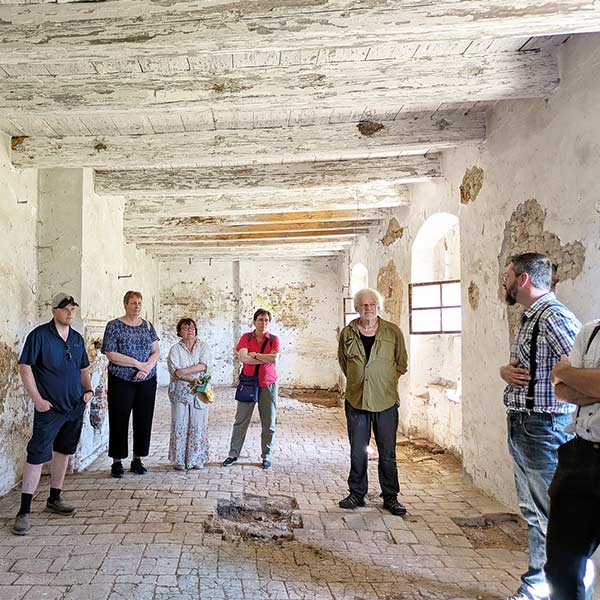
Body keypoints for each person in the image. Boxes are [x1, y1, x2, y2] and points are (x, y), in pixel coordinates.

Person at [499, 252, 581, 600]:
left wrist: (561, 383)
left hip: (544, 428)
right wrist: (506, 373)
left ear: (524, 280)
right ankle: (536, 585)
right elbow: (527, 367)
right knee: (534, 512)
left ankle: (563, 590)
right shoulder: (530, 317)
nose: (503, 281)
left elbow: (582, 364)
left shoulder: (552, 316)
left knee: (552, 516)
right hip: (525, 424)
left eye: (507, 275)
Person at [12, 292, 93, 536]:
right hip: (49, 409)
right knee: (37, 454)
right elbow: (25, 368)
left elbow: (83, 369)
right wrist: (37, 400)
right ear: (54, 310)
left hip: (74, 406)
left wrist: (88, 389)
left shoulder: (77, 339)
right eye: (64, 308)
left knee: (64, 451)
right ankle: (24, 510)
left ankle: (54, 498)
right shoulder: (39, 336)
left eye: (72, 309)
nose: (69, 312)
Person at [337, 287, 408, 516]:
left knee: (388, 452)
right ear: (357, 308)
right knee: (358, 450)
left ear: (379, 307)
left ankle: (390, 497)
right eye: (363, 305)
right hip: (356, 400)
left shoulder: (393, 332)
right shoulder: (348, 333)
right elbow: (344, 363)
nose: (368, 309)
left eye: (372, 305)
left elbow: (401, 364)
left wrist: (382, 382)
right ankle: (357, 493)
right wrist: (361, 380)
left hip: (385, 401)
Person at [544, 319, 600, 599]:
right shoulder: (591, 331)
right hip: (581, 457)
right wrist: (572, 377)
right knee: (561, 568)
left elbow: (566, 377)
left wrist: (569, 372)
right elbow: (561, 388)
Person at [101, 291, 160, 478]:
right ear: (125, 304)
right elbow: (111, 354)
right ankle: (117, 462)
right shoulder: (114, 326)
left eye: (139, 303)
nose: (137, 306)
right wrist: (137, 364)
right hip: (121, 379)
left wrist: (147, 368)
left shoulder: (148, 326)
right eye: (133, 303)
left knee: (143, 419)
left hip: (146, 379)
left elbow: (156, 351)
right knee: (119, 419)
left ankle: (137, 459)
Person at [222, 309, 280, 469]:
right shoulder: (246, 337)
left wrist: (254, 355)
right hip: (248, 383)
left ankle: (266, 456)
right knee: (241, 420)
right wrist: (264, 357)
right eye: (260, 319)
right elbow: (243, 357)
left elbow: (274, 358)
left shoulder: (274, 339)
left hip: (268, 383)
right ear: (254, 322)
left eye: (267, 320)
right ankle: (233, 454)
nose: (264, 322)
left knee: (268, 422)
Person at [167, 317, 212, 470]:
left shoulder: (203, 346)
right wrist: (191, 377)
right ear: (179, 332)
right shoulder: (175, 349)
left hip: (200, 391)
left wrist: (184, 371)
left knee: (198, 424)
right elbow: (174, 371)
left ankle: (197, 458)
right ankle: (179, 460)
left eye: (192, 327)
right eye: (185, 328)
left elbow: (204, 366)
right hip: (181, 392)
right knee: (180, 422)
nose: (190, 330)